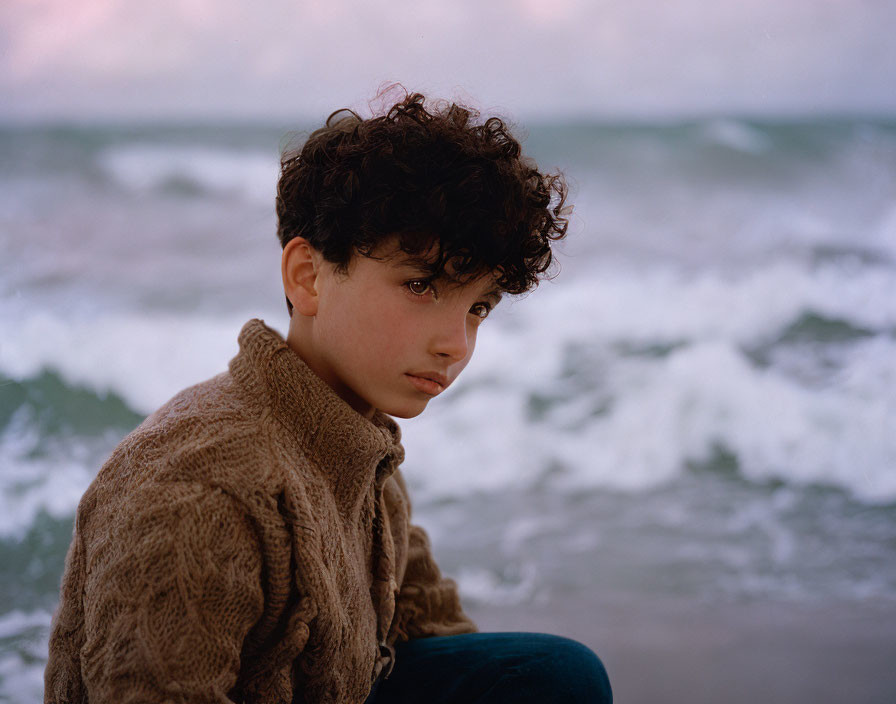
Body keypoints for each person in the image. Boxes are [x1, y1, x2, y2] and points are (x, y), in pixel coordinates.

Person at [43, 88, 612, 704]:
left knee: (547, 678)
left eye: (477, 307)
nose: (456, 344)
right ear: (308, 276)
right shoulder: (200, 487)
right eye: (421, 285)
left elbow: (437, 633)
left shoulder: (357, 443)